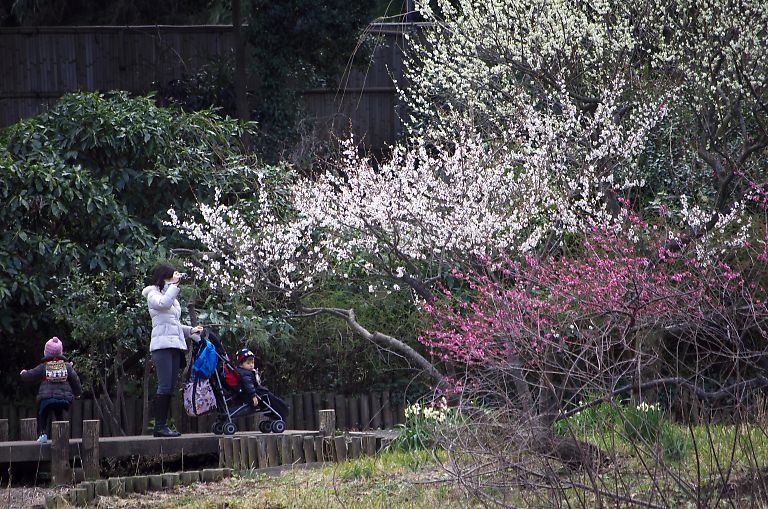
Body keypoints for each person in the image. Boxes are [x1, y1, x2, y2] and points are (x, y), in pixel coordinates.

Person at [142, 263, 203, 437]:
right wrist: (174, 285)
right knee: (164, 386)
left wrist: (191, 331)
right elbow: (162, 304)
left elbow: (174, 324)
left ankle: (163, 426)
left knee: (170, 388)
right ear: (163, 277)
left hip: (175, 345)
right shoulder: (153, 294)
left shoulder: (172, 297)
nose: (174, 280)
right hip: (161, 346)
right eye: (171, 277)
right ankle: (159, 426)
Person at [20, 336, 82, 443]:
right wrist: (77, 394)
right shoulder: (67, 366)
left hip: (46, 398)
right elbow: (75, 380)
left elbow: (31, 375)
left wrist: (23, 373)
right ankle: (62, 435)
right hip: (64, 399)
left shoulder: (44, 366)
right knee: (59, 413)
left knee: (43, 413)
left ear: (46, 353)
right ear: (61, 352)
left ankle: (43, 434)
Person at [234, 347, 289, 420]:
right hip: (255, 394)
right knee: (271, 398)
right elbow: (249, 386)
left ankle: (281, 410)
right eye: (248, 363)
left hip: (254, 392)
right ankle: (281, 411)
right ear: (241, 364)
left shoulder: (242, 371)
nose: (251, 365)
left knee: (271, 398)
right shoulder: (245, 374)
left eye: (252, 362)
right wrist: (253, 396)